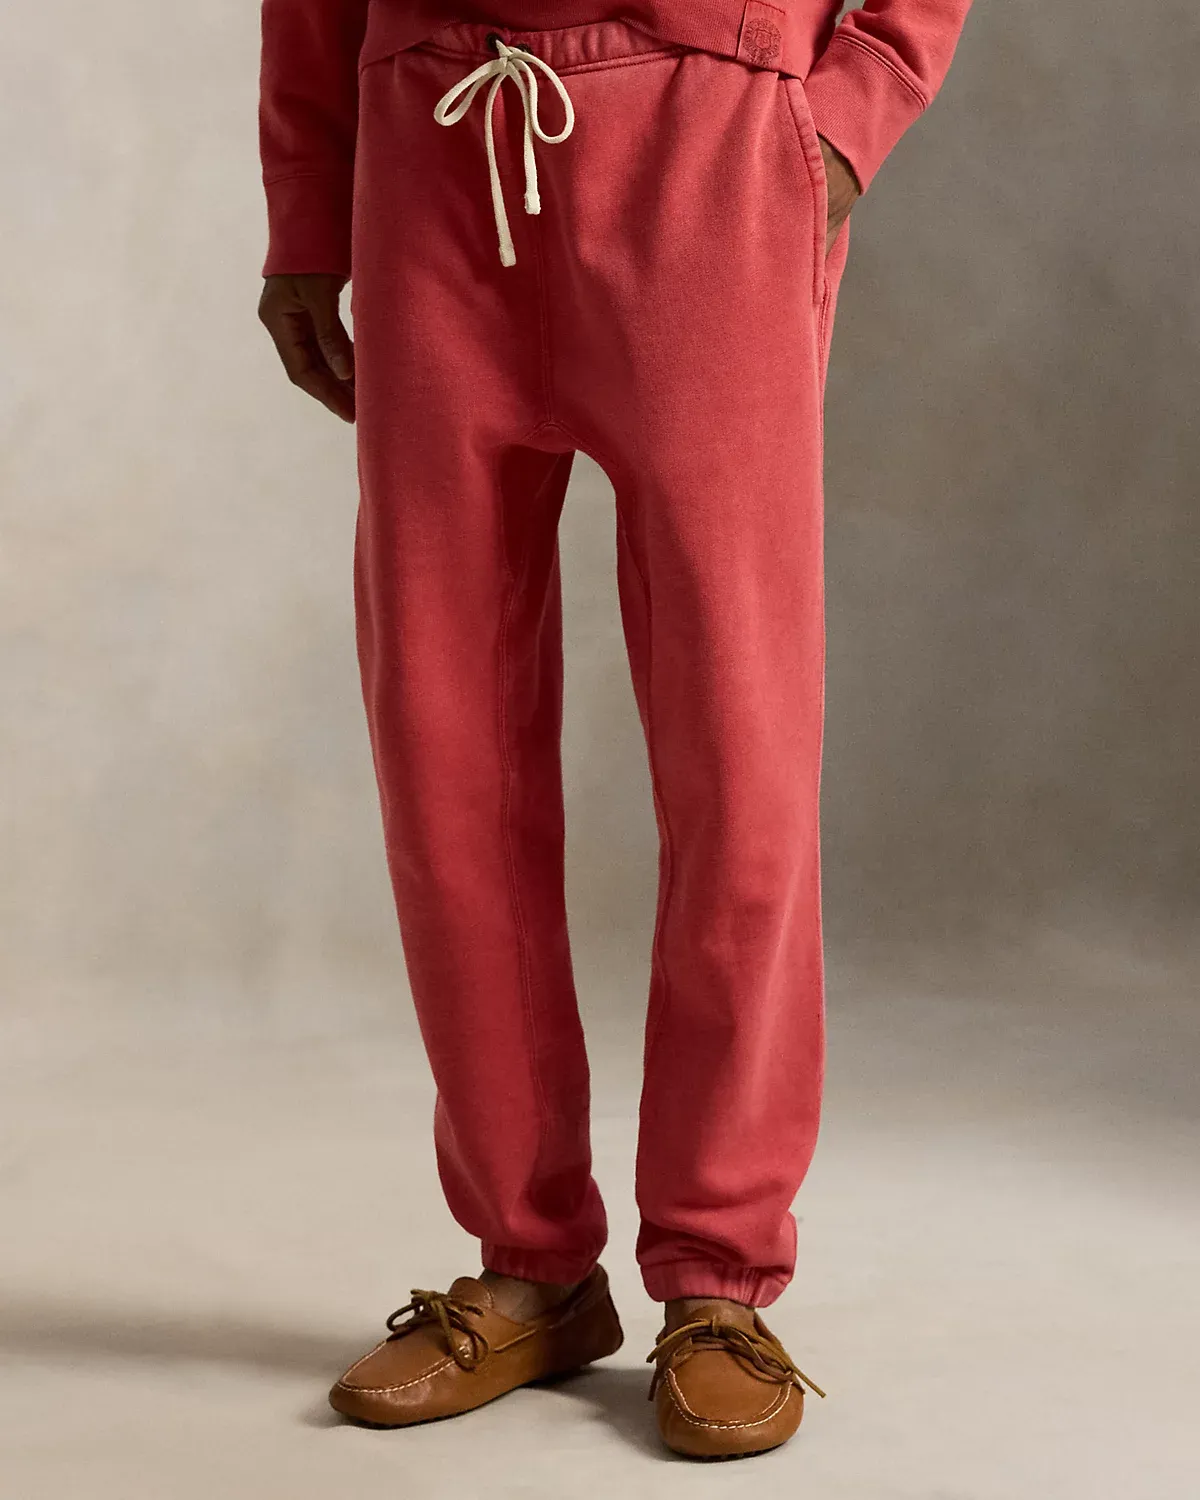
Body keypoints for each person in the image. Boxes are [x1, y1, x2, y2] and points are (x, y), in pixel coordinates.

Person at [257, 0, 971, 1460]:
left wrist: (850, 109)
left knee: (737, 745)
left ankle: (718, 1272)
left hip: (709, 144)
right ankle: (532, 1263)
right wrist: (306, 206)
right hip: (431, 141)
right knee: (443, 747)